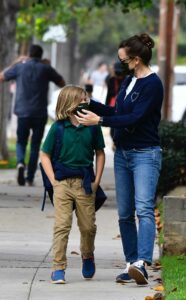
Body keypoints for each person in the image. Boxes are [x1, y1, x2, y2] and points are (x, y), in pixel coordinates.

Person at [75, 33, 163, 285]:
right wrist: (90, 104)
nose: (120, 64)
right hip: (124, 154)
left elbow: (135, 117)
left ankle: (142, 264)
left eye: (123, 60)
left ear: (135, 60)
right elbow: (117, 111)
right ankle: (131, 263)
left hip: (146, 153)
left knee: (144, 208)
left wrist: (100, 121)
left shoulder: (153, 85)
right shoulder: (128, 82)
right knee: (125, 213)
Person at [40, 85, 105, 284]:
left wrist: (97, 181)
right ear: (69, 104)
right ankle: (58, 267)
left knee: (88, 227)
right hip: (62, 184)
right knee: (62, 226)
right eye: (81, 100)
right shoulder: (58, 128)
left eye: (86, 99)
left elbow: (100, 153)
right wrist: (53, 181)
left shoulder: (93, 126)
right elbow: (44, 155)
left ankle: (87, 255)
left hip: (85, 184)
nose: (85, 102)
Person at [0, 45, 65, 186]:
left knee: (21, 141)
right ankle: (29, 177)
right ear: (41, 56)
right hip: (39, 113)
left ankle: (20, 163)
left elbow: (1, 76)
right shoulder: (46, 69)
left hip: (22, 113)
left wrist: (16, 62)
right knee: (35, 145)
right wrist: (49, 66)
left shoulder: (19, 67)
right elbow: (62, 83)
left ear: (28, 55)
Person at [105, 61, 126, 143]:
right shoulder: (111, 80)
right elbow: (108, 95)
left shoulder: (126, 80)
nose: (118, 74)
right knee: (112, 129)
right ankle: (115, 143)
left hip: (122, 108)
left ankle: (118, 143)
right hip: (112, 106)